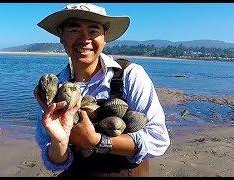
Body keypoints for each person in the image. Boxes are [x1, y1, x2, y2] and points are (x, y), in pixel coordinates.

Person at [33, 3, 170, 177]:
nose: (85, 39)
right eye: (75, 30)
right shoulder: (55, 87)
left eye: (93, 31)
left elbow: (158, 140)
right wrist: (59, 141)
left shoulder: (129, 74)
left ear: (105, 37)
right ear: (62, 37)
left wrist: (96, 141)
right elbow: (55, 163)